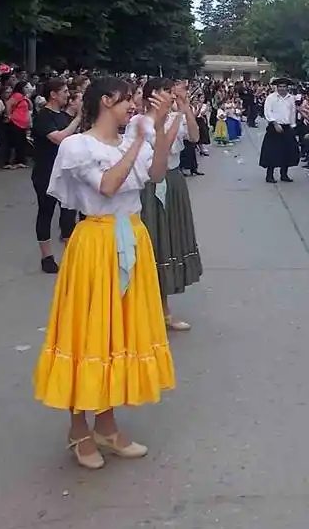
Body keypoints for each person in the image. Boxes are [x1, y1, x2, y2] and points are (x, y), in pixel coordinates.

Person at [33, 77, 176, 469]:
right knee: (89, 332)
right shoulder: (78, 146)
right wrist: (135, 140)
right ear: (107, 100)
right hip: (96, 243)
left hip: (132, 236)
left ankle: (107, 425)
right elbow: (109, 185)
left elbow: (158, 174)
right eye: (128, 101)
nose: (133, 107)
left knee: (120, 333)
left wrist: (159, 129)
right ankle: (79, 428)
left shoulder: (133, 142)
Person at [126, 78, 203, 332]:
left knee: (170, 242)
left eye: (172, 91)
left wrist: (186, 110)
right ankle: (146, 309)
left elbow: (195, 136)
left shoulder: (174, 117)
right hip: (150, 185)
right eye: (166, 92)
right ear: (152, 96)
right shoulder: (139, 123)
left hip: (174, 180)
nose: (172, 95)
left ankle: (163, 309)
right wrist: (171, 117)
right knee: (154, 243)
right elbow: (163, 146)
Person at [31, 78, 82, 273]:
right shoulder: (43, 116)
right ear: (53, 94)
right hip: (45, 173)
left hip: (65, 174)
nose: (67, 96)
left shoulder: (62, 116)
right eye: (64, 92)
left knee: (69, 213)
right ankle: (47, 257)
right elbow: (58, 138)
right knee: (46, 212)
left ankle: (71, 256)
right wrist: (78, 118)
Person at [260, 78, 299, 183]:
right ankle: (270, 175)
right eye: (280, 86)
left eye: (284, 86)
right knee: (272, 151)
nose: (282, 88)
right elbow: (267, 111)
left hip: (287, 126)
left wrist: (293, 125)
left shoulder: (291, 98)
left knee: (287, 151)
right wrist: (274, 123)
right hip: (274, 126)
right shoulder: (271, 98)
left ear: (287, 88)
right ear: (277, 88)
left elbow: (292, 112)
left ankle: (284, 174)